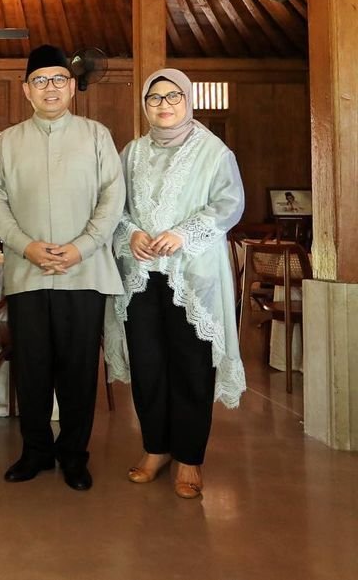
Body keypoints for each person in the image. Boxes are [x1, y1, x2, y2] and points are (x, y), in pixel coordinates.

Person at [0, 44, 124, 492]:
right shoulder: (9, 141)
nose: (50, 88)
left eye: (58, 79)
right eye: (40, 80)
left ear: (72, 87)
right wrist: (26, 246)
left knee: (79, 369)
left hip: (84, 271)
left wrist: (82, 247)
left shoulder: (96, 135)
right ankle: (36, 451)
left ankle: (74, 455)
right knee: (32, 367)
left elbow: (113, 196)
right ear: (26, 90)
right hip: (28, 271)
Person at [103, 68, 246, 499]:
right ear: (144, 106)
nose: (163, 105)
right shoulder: (131, 153)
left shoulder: (213, 152)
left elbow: (229, 204)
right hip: (140, 274)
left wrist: (183, 234)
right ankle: (156, 448)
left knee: (191, 365)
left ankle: (188, 457)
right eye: (155, 98)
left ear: (187, 100)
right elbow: (115, 205)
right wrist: (131, 233)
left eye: (173, 97)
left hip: (192, 276)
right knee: (147, 363)